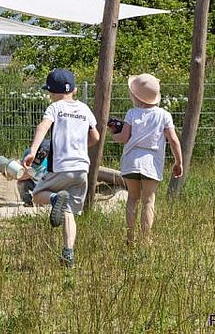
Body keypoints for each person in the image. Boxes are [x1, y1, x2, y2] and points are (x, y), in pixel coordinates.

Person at [23, 68, 99, 268]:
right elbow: (96, 136)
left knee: (37, 196)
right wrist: (81, 147)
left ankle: (55, 197)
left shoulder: (55, 107)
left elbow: (43, 126)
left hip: (61, 166)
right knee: (68, 211)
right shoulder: (84, 109)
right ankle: (68, 253)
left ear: (52, 92)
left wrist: (33, 151)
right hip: (82, 169)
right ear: (74, 90)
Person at [109, 73, 183, 246]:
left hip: (131, 161)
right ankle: (146, 239)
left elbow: (124, 137)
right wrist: (178, 162)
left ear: (135, 95)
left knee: (132, 198)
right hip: (151, 163)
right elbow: (173, 140)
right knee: (148, 201)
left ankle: (130, 238)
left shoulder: (131, 113)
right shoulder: (164, 115)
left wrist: (114, 134)